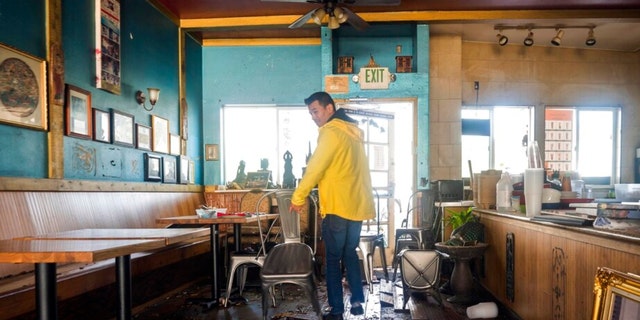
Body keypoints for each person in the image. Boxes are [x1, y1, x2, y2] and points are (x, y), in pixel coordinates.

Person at [290, 91, 375, 320]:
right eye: (310, 113)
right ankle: (357, 302)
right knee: (350, 253)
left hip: (337, 207)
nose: (313, 117)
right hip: (356, 207)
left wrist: (298, 197)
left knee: (332, 259)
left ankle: (337, 310)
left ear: (330, 108)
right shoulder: (353, 134)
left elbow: (315, 167)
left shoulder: (331, 132)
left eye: (315, 111)